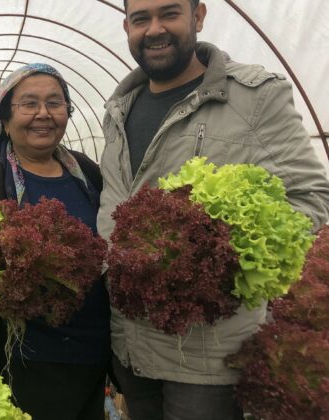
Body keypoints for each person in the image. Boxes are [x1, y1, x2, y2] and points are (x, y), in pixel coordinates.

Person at [98, 1, 329, 419]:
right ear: (126, 26)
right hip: (129, 342)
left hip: (208, 358)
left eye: (169, 13)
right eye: (140, 19)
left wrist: (221, 261)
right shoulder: (118, 109)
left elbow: (309, 196)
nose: (154, 29)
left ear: (198, 16)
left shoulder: (253, 97)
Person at [0, 63, 111, 420]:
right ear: (4, 120)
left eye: (55, 103)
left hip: (91, 354)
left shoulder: (87, 173)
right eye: (29, 104)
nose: (44, 114)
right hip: (18, 361)